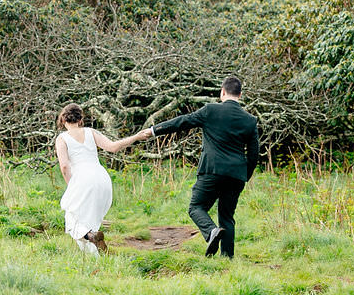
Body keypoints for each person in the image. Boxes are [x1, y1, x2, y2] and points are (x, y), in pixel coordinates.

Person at [136, 76, 259, 258]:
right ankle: (227, 260)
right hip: (236, 175)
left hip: (211, 170)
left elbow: (182, 122)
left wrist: (155, 130)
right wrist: (243, 176)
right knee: (227, 217)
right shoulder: (250, 120)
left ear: (222, 92)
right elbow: (254, 154)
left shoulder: (210, 110)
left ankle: (211, 232)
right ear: (240, 95)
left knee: (196, 207)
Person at [55, 103, 143, 256]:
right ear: (80, 119)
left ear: (63, 119)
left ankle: (92, 242)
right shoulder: (91, 132)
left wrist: (71, 185)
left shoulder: (62, 138)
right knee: (89, 220)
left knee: (72, 219)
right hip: (102, 178)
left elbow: (64, 166)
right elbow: (113, 147)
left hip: (83, 179)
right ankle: (99, 258)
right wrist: (136, 136)